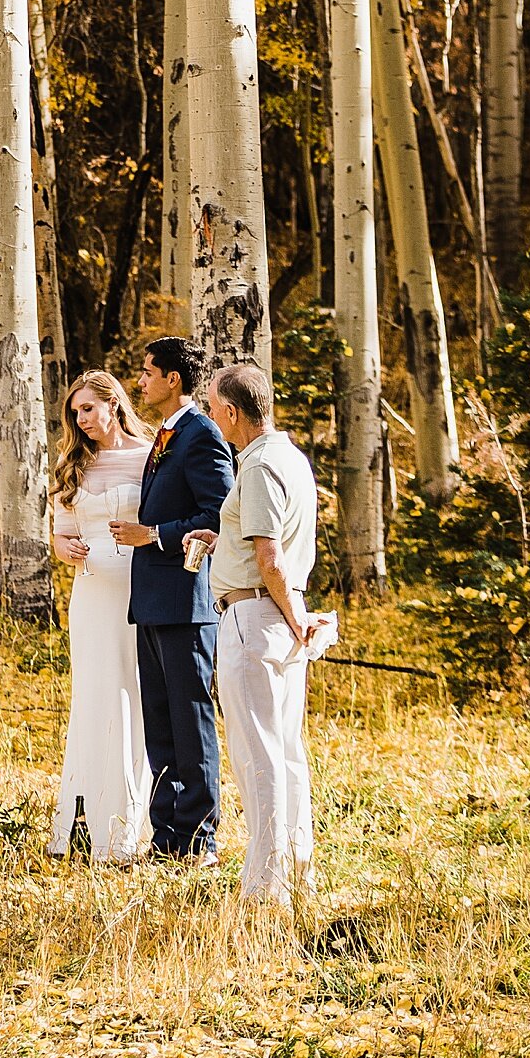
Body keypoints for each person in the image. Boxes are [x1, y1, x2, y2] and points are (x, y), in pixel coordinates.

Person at [185, 359, 326, 904]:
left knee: (258, 756)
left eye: (215, 410)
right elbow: (266, 543)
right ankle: (296, 873)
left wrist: (296, 619)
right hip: (276, 615)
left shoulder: (260, 466)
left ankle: (267, 887)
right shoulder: (290, 459)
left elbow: (271, 558)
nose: (213, 420)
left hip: (257, 618)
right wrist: (222, 539)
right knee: (285, 752)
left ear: (233, 411)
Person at [107, 337, 235, 862]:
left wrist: (153, 534)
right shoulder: (166, 434)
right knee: (159, 723)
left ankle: (200, 839)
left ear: (173, 379)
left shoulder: (201, 435)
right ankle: (165, 839)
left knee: (191, 720)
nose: (139, 381)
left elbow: (221, 512)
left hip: (187, 602)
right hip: (154, 602)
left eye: (146, 372)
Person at [48, 370, 155, 861]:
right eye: (75, 412)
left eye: (88, 408)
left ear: (114, 403)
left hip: (143, 591)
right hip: (92, 594)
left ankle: (143, 821)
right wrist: (64, 546)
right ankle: (92, 825)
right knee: (97, 700)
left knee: (140, 699)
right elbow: (62, 530)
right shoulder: (73, 463)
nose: (81, 420)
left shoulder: (150, 454)